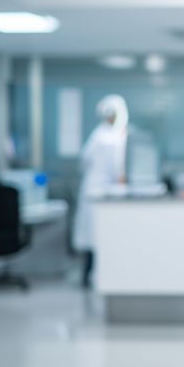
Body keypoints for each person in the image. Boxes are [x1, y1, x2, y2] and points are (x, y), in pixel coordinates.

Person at [72, 95, 128, 288]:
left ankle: (87, 277)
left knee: (91, 238)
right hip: (102, 190)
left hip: (91, 187)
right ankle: (95, 278)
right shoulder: (113, 138)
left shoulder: (97, 135)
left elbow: (84, 162)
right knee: (98, 237)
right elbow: (118, 171)